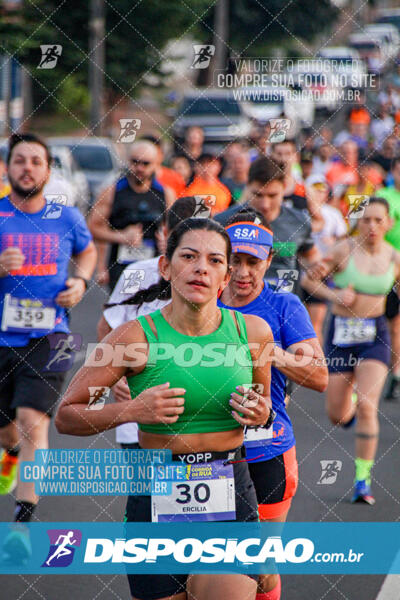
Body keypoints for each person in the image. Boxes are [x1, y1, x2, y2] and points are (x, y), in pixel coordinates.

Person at [56, 217, 274, 600]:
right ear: (165, 266)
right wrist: (131, 411)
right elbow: (67, 416)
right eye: (188, 256)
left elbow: (265, 405)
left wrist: (263, 413)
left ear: (225, 275)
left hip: (228, 488)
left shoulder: (252, 333)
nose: (201, 268)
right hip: (154, 493)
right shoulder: (133, 336)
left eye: (215, 260)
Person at [219, 210, 328, 600]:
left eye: (253, 262)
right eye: (235, 260)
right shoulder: (201, 304)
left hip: (267, 450)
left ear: (268, 261)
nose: (243, 272)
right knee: (205, 564)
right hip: (206, 454)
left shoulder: (284, 306)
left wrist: (270, 352)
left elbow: (319, 377)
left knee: (261, 569)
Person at [0, 133, 96, 541]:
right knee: (7, 431)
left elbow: (88, 251)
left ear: (48, 170)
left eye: (35, 161)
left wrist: (80, 280)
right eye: (19, 160)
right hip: (2, 339)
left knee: (31, 421)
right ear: (7, 168)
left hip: (51, 337)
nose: (27, 168)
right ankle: (11, 454)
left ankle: (23, 522)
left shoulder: (66, 216)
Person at [302, 197, 400, 504]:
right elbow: (308, 280)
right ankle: (351, 402)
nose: (371, 226)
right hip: (341, 336)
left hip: (375, 336)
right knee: (336, 415)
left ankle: (362, 481)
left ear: (389, 223)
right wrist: (334, 294)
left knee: (370, 407)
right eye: (366, 219)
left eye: (377, 220)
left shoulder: (394, 257)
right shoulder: (343, 249)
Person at [96, 196, 202, 447]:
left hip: (198, 420)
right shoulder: (137, 274)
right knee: (143, 486)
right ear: (166, 233)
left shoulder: (215, 281)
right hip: (138, 418)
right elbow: (106, 328)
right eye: (183, 242)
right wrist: (116, 378)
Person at [215, 157, 321, 292]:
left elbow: (311, 256)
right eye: (258, 195)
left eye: (272, 196)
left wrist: (320, 267)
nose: (265, 204)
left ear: (284, 188)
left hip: (284, 305)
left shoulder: (299, 221)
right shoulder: (224, 221)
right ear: (247, 186)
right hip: (236, 306)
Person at [88, 140, 173, 291]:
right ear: (128, 161)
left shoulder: (165, 194)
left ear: (155, 164)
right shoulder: (112, 192)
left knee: (150, 312)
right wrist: (121, 237)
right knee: (123, 312)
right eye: (135, 162)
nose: (139, 168)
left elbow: (178, 229)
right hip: (121, 268)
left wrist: (168, 242)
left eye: (145, 163)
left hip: (154, 267)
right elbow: (93, 228)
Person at [302, 175, 347, 343]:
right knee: (298, 323)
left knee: (315, 324)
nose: (318, 194)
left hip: (321, 271)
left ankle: (316, 363)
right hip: (298, 270)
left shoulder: (332, 213)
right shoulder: (300, 213)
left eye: (322, 190)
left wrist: (333, 242)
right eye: (315, 190)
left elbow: (345, 242)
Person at [377, 157, 400, 399]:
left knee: (396, 327)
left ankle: (394, 374)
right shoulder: (385, 195)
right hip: (386, 266)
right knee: (386, 323)